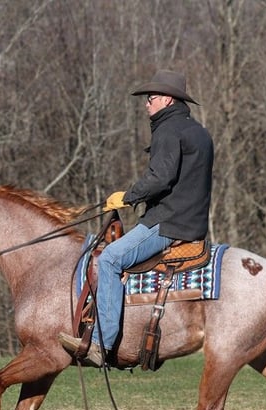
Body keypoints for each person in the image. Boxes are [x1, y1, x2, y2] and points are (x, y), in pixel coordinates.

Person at [60, 69, 214, 367]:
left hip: (168, 222)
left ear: (167, 99)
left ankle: (100, 344)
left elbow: (160, 177)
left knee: (110, 259)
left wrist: (128, 196)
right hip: (191, 221)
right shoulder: (197, 131)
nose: (147, 104)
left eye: (151, 98)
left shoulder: (168, 130)